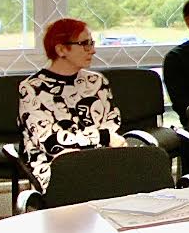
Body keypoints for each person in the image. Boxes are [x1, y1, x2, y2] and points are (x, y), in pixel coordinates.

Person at [18, 18, 126, 194]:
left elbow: (112, 124)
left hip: (100, 159)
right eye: (84, 44)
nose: (93, 50)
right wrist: (102, 138)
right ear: (61, 49)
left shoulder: (97, 82)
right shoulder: (31, 88)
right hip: (54, 164)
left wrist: (99, 141)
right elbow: (50, 141)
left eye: (92, 43)